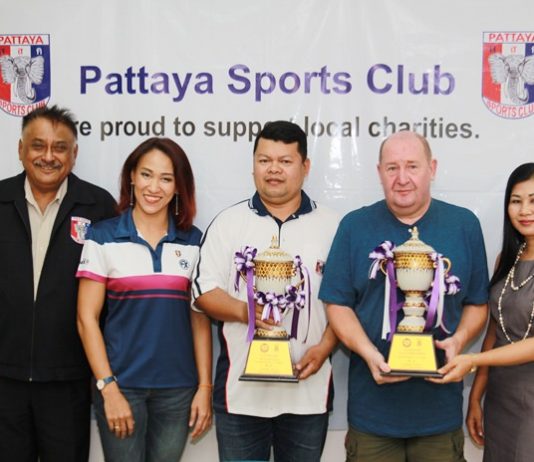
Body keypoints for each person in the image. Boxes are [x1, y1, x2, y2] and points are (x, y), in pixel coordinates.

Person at [319, 130, 489, 462]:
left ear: (432, 168)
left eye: (412, 166)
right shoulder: (354, 226)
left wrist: (459, 340)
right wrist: (368, 353)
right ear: (379, 172)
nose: (402, 178)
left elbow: (477, 303)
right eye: (392, 167)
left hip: (440, 413)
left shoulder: (464, 225)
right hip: (373, 415)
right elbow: (337, 303)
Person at [192, 120, 339, 462]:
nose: (273, 169)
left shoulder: (334, 226)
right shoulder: (228, 223)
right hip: (240, 398)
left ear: (305, 167)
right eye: (264, 160)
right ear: (253, 165)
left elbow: (346, 302)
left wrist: (326, 346)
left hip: (308, 395)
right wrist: (245, 311)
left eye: (285, 161)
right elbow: (203, 291)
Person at [76, 137, 212, 462]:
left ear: (178, 187)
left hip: (178, 390)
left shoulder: (193, 241)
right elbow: (86, 319)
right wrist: (108, 387)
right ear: (132, 177)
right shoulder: (102, 237)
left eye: (166, 178)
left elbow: (199, 319)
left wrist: (205, 388)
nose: (154, 187)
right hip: (121, 386)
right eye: (146, 174)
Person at [0, 105, 116, 461]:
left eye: (60, 147)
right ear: (21, 149)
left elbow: (113, 299)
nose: (48, 157)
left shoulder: (99, 207)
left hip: (68, 382)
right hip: (4, 380)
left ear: (74, 153)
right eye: (38, 145)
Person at [435, 162, 534, 462]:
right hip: (501, 398)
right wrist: (476, 397)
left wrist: (473, 361)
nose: (524, 210)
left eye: (533, 200)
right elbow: (495, 331)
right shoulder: (507, 259)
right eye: (516, 201)